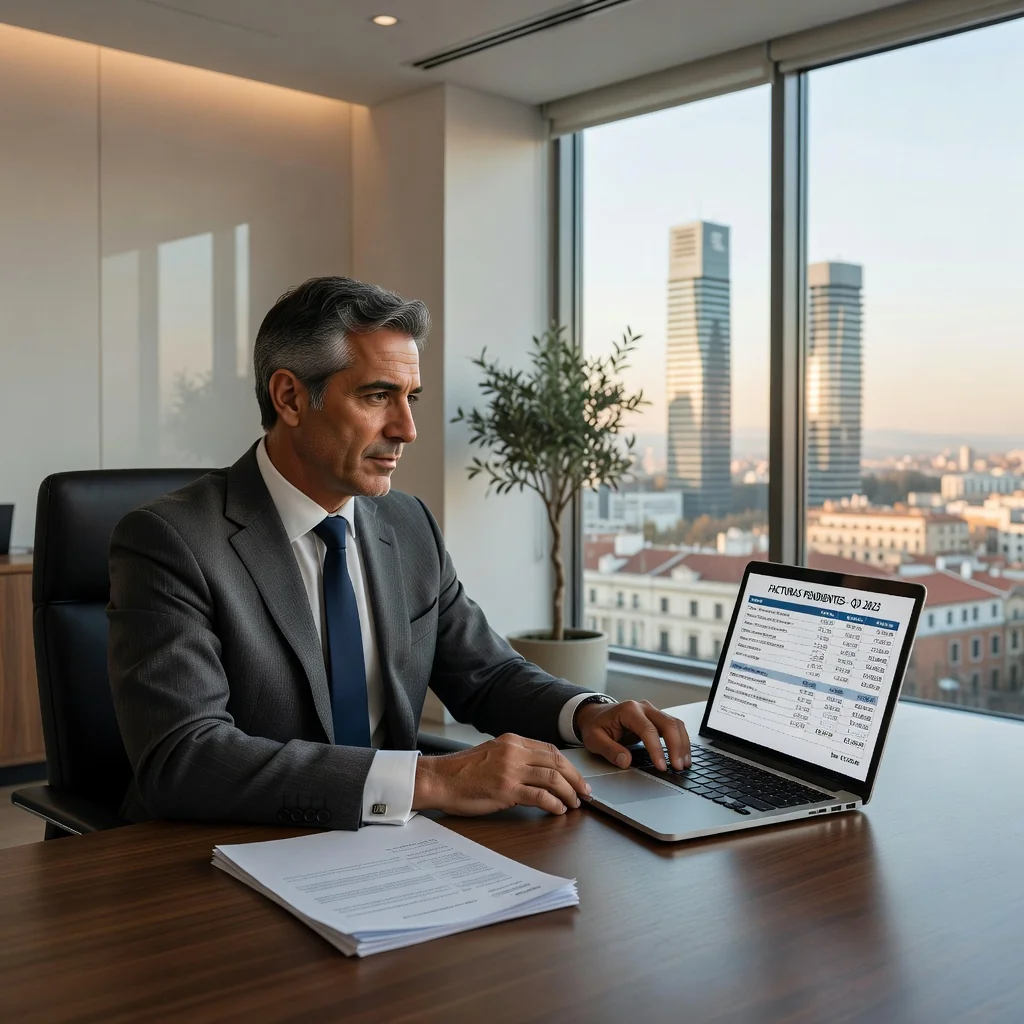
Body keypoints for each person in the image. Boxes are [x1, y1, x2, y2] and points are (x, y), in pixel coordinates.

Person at [108, 276, 690, 831]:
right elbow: (184, 757)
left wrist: (586, 712)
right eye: (377, 396)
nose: (407, 428)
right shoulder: (170, 541)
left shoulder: (408, 524)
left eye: (410, 397)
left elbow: (486, 675)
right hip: (226, 856)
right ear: (289, 396)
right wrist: (432, 781)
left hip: (396, 851)